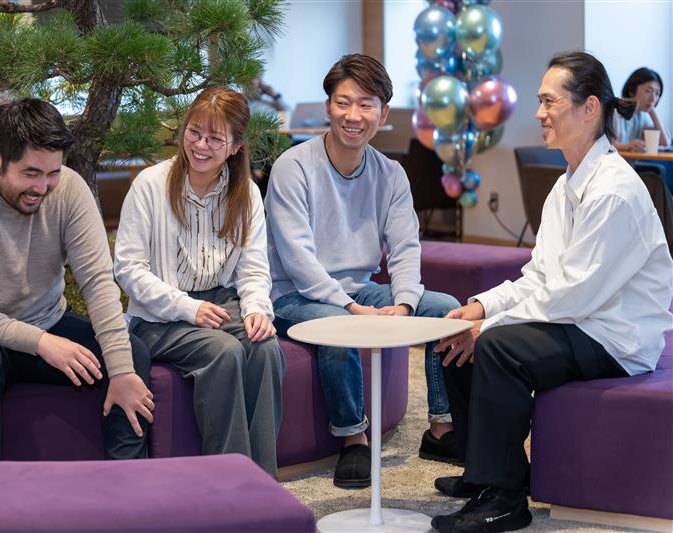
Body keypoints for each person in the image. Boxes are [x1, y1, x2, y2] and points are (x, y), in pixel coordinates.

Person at [431, 51, 673, 533]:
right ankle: (485, 473)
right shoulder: (566, 186)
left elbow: (573, 296)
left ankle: (505, 500)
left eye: (549, 101)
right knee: (454, 335)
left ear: (589, 108)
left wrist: (490, 326)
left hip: (615, 337)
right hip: (580, 318)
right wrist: (479, 307)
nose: (539, 113)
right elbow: (540, 277)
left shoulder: (613, 191)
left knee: (497, 346)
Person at [265, 53, 460, 489]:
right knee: (338, 325)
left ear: (383, 114)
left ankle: (441, 428)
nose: (353, 115)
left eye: (366, 104)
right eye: (343, 102)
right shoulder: (293, 167)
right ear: (328, 107)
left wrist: (404, 303)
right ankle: (353, 438)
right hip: (294, 295)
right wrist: (351, 309)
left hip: (361, 288)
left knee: (446, 308)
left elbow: (405, 247)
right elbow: (297, 260)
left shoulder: (391, 174)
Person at [0, 98, 154, 461]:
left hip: (45, 320)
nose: (43, 187)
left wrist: (121, 369)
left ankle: (128, 481)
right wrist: (42, 342)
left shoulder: (69, 189)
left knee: (130, 355)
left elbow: (97, 281)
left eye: (52, 173)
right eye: (30, 174)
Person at [114, 87, 285, 476]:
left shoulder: (246, 193)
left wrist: (257, 309)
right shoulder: (151, 184)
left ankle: (262, 480)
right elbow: (128, 269)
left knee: (265, 348)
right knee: (224, 352)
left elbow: (254, 269)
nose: (200, 146)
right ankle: (229, 481)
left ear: (236, 146)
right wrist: (187, 308)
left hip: (223, 303)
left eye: (214, 138)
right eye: (194, 132)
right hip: (159, 316)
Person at [612, 67, 670, 151]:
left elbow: (664, 143)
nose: (653, 99)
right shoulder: (614, 111)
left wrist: (652, 111)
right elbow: (601, 145)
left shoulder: (642, 116)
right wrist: (625, 146)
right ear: (631, 90)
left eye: (657, 93)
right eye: (648, 91)